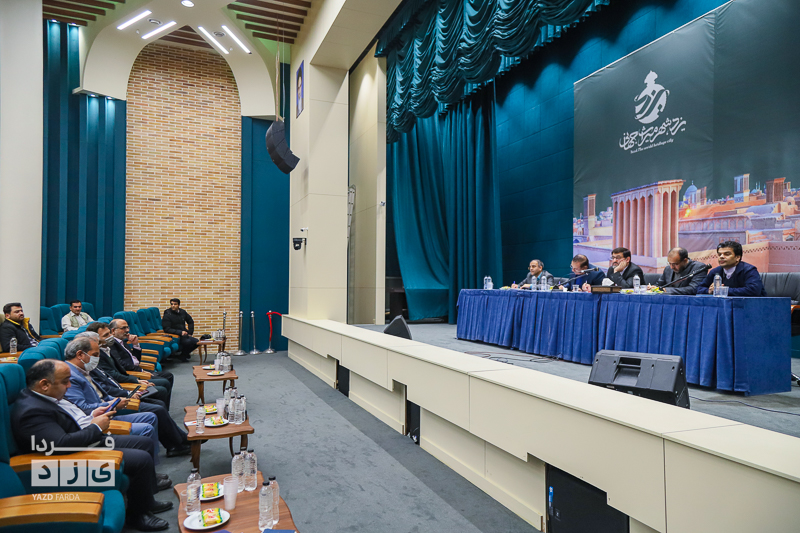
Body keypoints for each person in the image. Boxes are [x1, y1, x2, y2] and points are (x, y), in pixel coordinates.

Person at [12, 360, 172, 531]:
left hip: (84, 438)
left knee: (144, 443)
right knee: (141, 459)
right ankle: (138, 516)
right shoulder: (32, 411)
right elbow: (60, 444)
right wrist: (96, 427)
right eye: (65, 381)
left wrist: (92, 416)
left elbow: (71, 420)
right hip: (64, 459)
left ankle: (146, 501)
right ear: (44, 384)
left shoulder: (46, 396)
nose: (69, 385)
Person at [67, 335, 191, 458]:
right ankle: (176, 444)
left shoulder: (84, 369)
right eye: (95, 354)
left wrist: (120, 397)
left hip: (118, 396)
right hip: (107, 409)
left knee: (157, 402)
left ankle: (178, 441)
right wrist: (115, 401)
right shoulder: (72, 375)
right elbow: (84, 407)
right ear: (80, 355)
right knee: (157, 408)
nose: (98, 357)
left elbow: (106, 387)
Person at [88, 322, 171, 409]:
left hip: (128, 379)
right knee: (160, 396)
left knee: (161, 394)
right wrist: (136, 381)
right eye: (106, 335)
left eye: (109, 333)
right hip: (123, 387)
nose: (110, 336)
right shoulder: (97, 356)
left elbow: (133, 360)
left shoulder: (109, 347)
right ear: (95, 340)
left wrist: (135, 345)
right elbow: (114, 375)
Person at [109, 319, 174, 396]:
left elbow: (136, 360)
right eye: (123, 328)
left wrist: (135, 345)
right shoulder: (112, 344)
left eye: (127, 327)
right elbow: (121, 364)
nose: (127, 330)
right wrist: (141, 371)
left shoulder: (122, 341)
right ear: (113, 331)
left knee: (168, 375)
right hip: (132, 373)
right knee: (164, 382)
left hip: (137, 369)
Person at [696, 240, 767, 296]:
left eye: (727, 254)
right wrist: (709, 291)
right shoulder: (715, 272)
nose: (721, 257)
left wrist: (723, 290)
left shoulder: (749, 270)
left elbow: (754, 290)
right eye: (719, 254)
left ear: (737, 257)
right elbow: (698, 288)